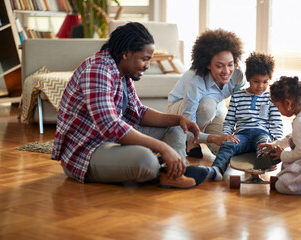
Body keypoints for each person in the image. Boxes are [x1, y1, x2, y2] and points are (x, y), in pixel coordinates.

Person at [51, 22, 208, 189]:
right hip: (86, 154)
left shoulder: (122, 71)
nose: (147, 66)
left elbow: (138, 113)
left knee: (176, 126)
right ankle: (160, 169)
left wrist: (178, 118)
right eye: (144, 59)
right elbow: (110, 126)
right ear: (126, 53)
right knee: (145, 160)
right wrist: (162, 147)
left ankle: (176, 171)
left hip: (111, 142)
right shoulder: (97, 70)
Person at [167, 29, 246, 158]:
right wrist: (213, 138)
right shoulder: (195, 80)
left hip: (216, 109)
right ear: (208, 64)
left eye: (230, 64)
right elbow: (186, 126)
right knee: (207, 105)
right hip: (182, 111)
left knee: (230, 149)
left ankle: (201, 136)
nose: (226, 71)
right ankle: (191, 143)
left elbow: (240, 106)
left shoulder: (237, 74)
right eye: (219, 66)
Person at [205, 52, 283, 181]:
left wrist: (276, 141)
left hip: (262, 134)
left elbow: (276, 121)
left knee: (265, 146)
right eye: (256, 81)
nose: (261, 86)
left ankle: (261, 165)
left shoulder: (271, 97)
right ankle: (216, 170)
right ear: (248, 78)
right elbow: (229, 121)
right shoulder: (237, 96)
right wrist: (227, 134)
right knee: (228, 146)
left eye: (265, 82)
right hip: (242, 134)